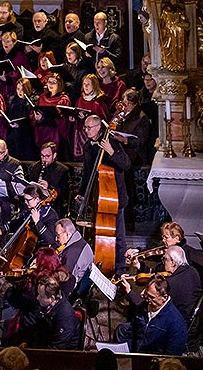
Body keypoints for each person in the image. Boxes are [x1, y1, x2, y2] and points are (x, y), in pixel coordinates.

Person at [80, 115, 131, 275]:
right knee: (98, 233)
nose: (86, 130)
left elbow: (126, 164)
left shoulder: (112, 141)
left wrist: (111, 151)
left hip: (114, 197)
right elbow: (87, 172)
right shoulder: (88, 145)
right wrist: (83, 193)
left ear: (98, 127)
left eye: (89, 127)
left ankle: (121, 269)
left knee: (119, 237)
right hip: (98, 196)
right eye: (85, 128)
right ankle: (100, 266)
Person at [114, 275, 188, 355]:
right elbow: (132, 332)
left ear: (164, 297)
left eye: (151, 297)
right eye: (146, 294)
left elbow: (172, 357)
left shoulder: (176, 323)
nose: (147, 299)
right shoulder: (143, 307)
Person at [9, 275, 82, 350]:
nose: (37, 298)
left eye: (41, 296)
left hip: (62, 355)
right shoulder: (47, 304)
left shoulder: (65, 317)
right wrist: (26, 341)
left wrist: (32, 351)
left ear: (52, 298)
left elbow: (56, 348)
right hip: (44, 341)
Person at [26, 142, 70, 219]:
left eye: (47, 156)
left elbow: (64, 194)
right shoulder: (34, 167)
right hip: (35, 202)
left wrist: (49, 186)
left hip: (53, 205)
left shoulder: (63, 170)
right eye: (42, 156)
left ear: (54, 155)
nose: (44, 159)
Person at [54, 218, 94, 290]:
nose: (56, 239)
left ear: (67, 234)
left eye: (58, 235)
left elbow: (65, 281)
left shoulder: (72, 252)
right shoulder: (79, 241)